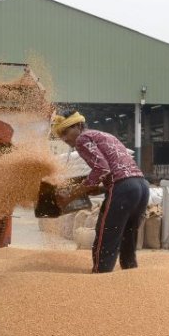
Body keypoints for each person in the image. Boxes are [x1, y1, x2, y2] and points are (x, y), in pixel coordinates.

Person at [52, 111, 150, 273]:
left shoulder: (82, 139)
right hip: (141, 186)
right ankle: (130, 274)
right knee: (128, 237)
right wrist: (98, 188)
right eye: (60, 135)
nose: (64, 138)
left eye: (65, 132)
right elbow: (117, 169)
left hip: (124, 188)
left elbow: (101, 167)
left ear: (79, 126)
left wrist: (70, 196)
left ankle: (100, 276)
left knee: (106, 236)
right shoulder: (104, 135)